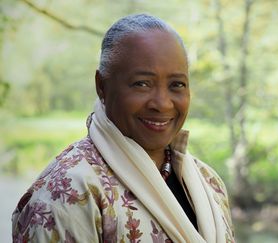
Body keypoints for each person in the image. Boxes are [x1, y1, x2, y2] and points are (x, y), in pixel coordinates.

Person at [12, 14, 235, 243]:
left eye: (176, 85)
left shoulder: (208, 182)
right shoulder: (67, 194)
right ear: (102, 86)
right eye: (142, 84)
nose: (162, 103)